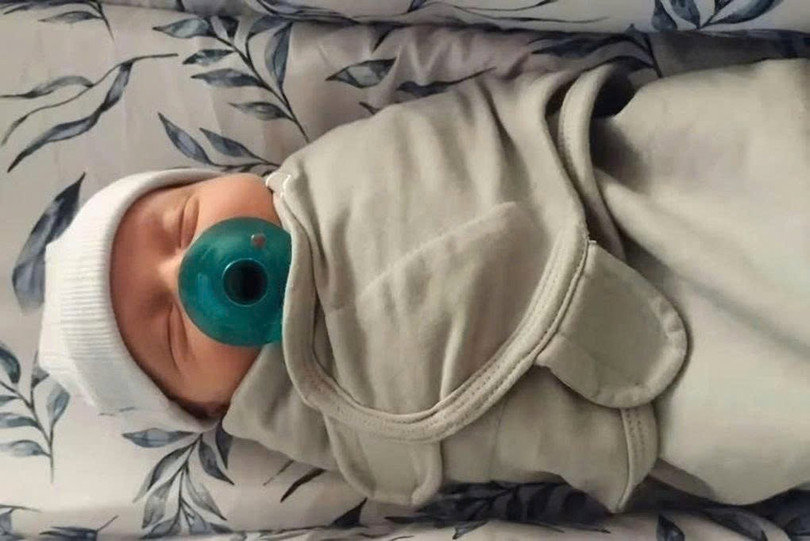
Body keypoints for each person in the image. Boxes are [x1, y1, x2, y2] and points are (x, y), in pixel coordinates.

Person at [38, 59, 810, 513]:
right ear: (206, 407)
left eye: (180, 224)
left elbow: (460, 132)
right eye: (171, 330)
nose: (189, 271)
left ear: (217, 177)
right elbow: (451, 439)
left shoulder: (324, 173)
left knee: (750, 144)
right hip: (624, 372)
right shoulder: (316, 412)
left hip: (615, 171)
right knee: (750, 396)